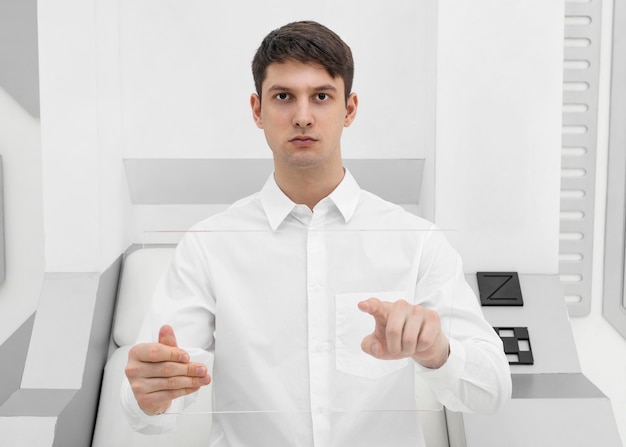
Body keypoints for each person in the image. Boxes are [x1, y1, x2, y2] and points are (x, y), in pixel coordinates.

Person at [122, 20, 511, 446]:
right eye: (284, 97)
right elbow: (150, 402)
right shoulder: (208, 245)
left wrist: (438, 351)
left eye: (321, 96)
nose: (303, 116)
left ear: (349, 109)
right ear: (257, 110)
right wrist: (150, 395)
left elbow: (492, 389)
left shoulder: (416, 240)